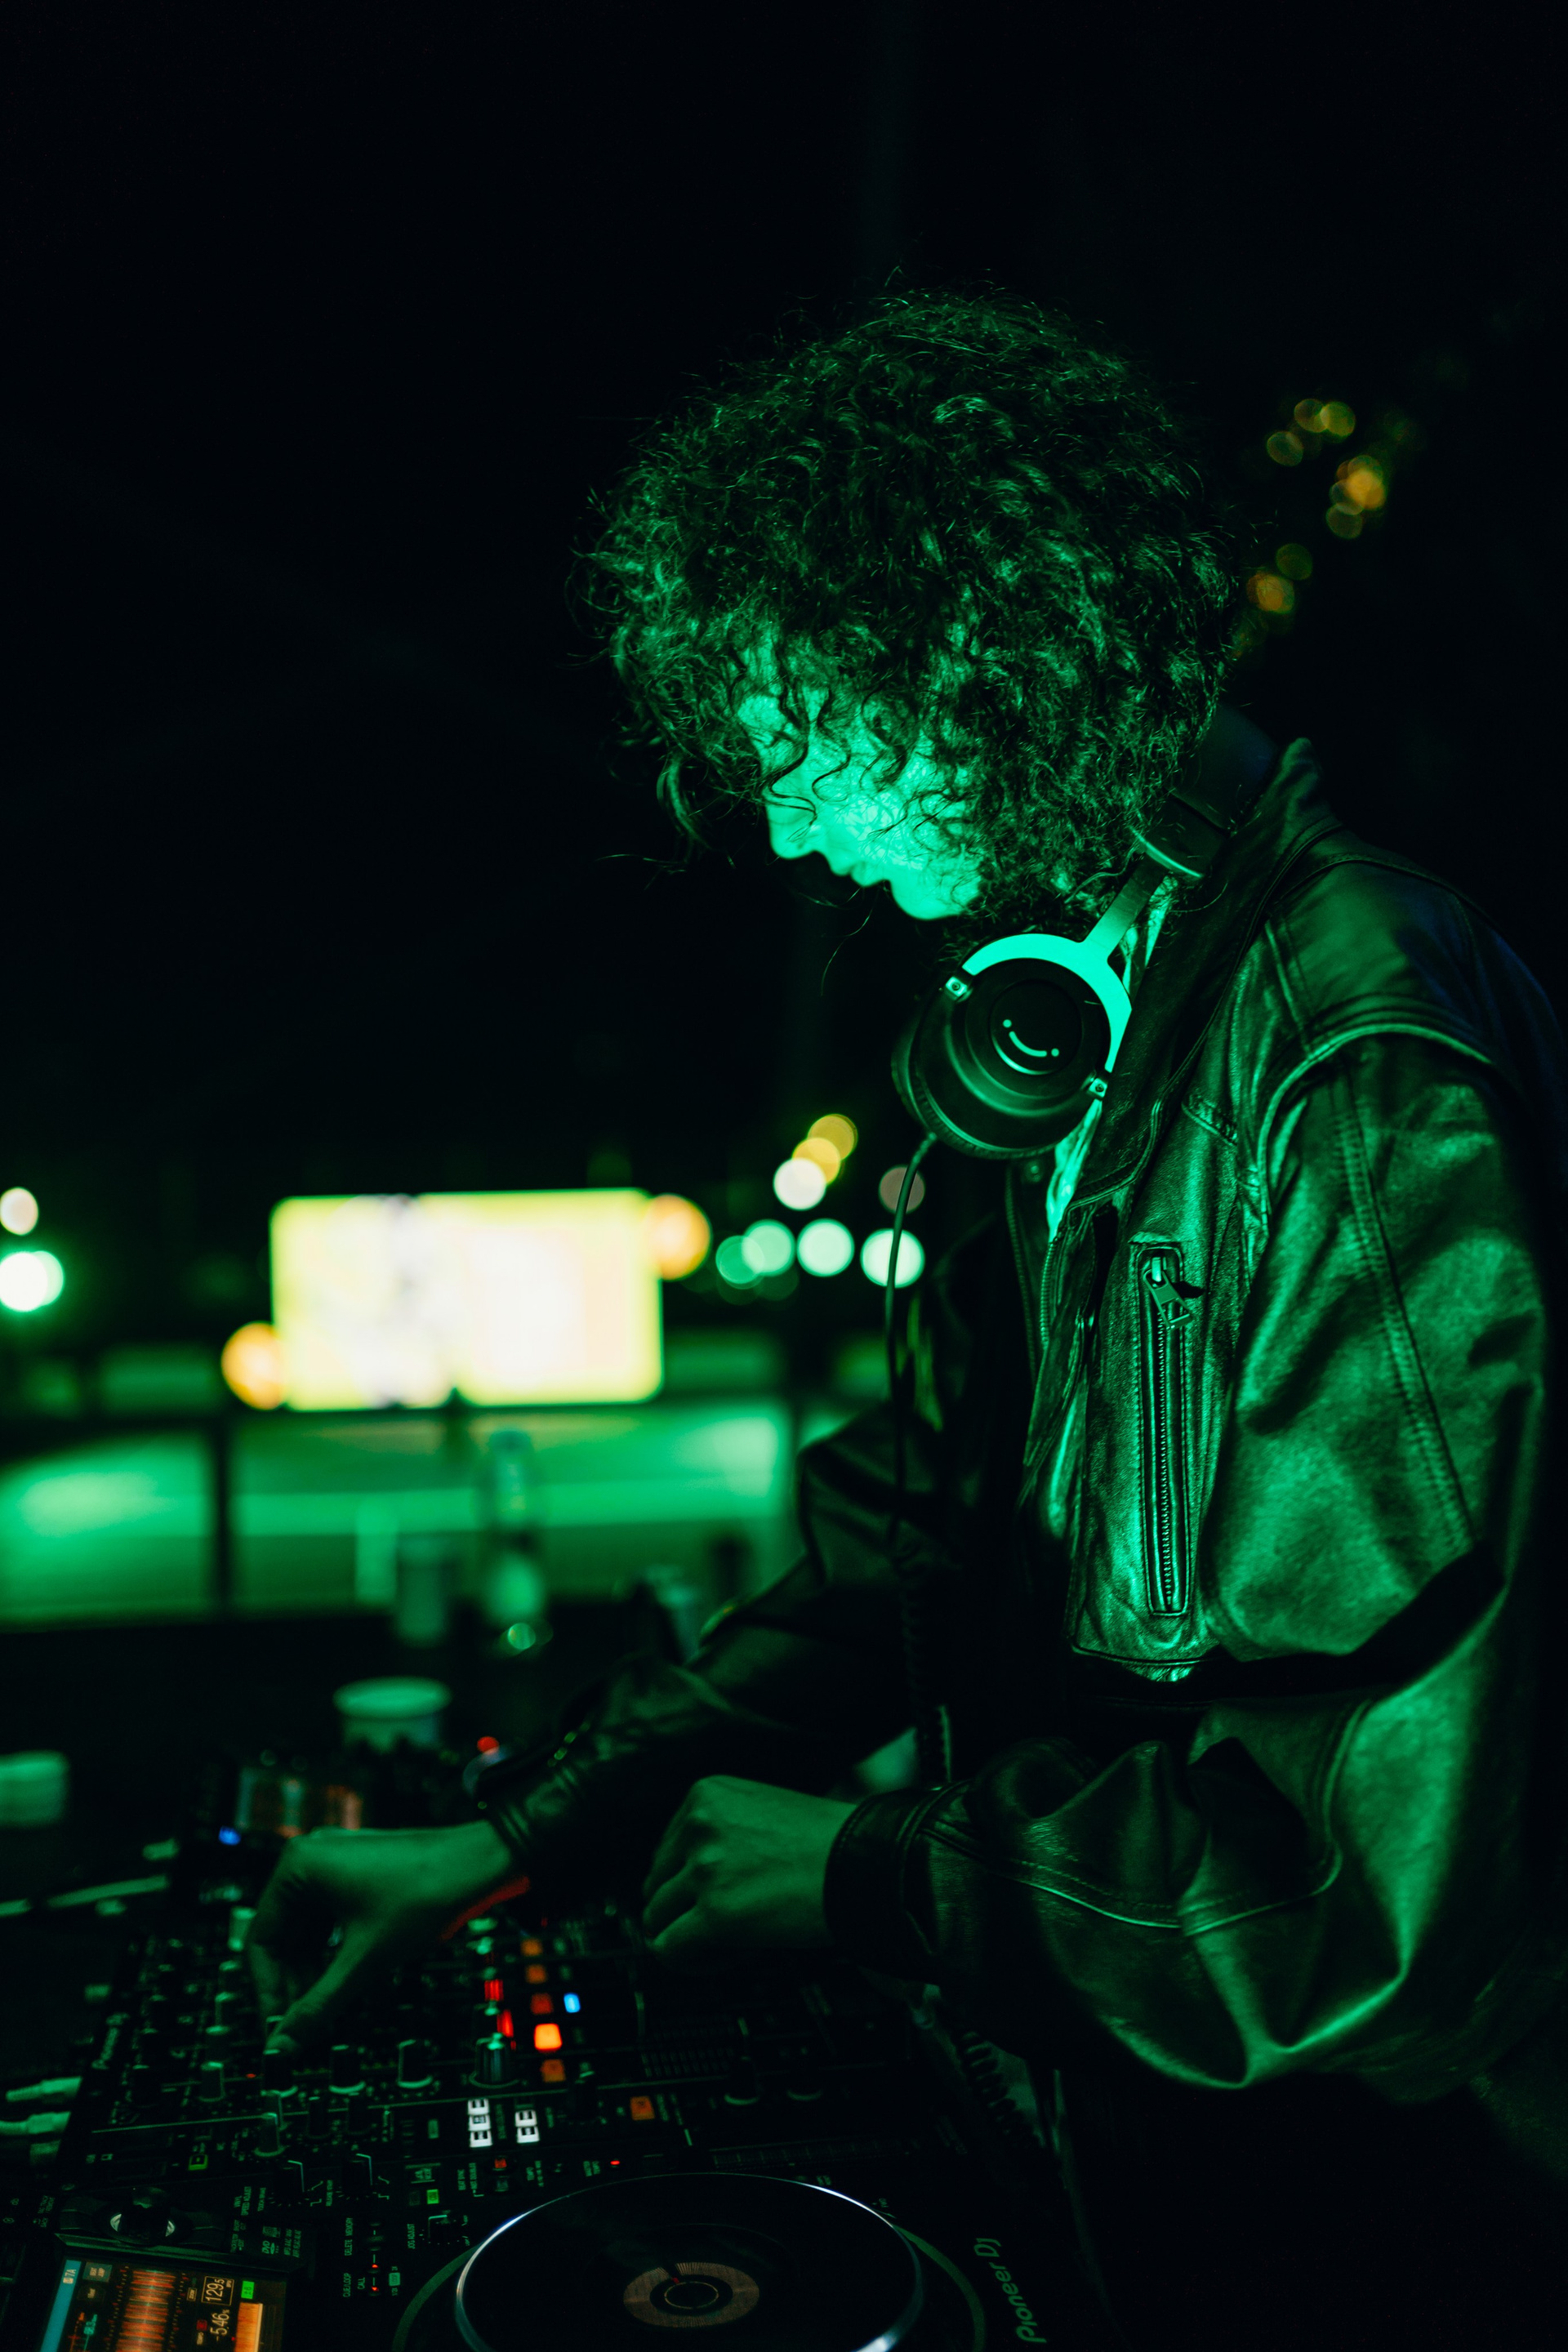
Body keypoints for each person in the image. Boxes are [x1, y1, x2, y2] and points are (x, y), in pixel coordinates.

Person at [249, 292, 1568, 2346]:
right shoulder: (1066, 1018)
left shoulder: (1358, 1059)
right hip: (1153, 2138)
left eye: (799, 745)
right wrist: (510, 1841)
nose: (788, 830)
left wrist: (883, 1873)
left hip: (1392, 2205)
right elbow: (921, 1545)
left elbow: (1372, 1884)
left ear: (969, 659)